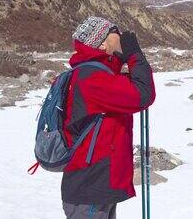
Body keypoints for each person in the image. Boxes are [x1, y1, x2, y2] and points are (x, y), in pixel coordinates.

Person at [61, 16, 156, 219]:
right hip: (90, 188)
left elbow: (132, 86)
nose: (120, 35)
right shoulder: (92, 79)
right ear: (102, 42)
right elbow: (142, 95)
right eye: (115, 31)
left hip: (93, 184)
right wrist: (135, 56)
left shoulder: (92, 74)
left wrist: (120, 59)